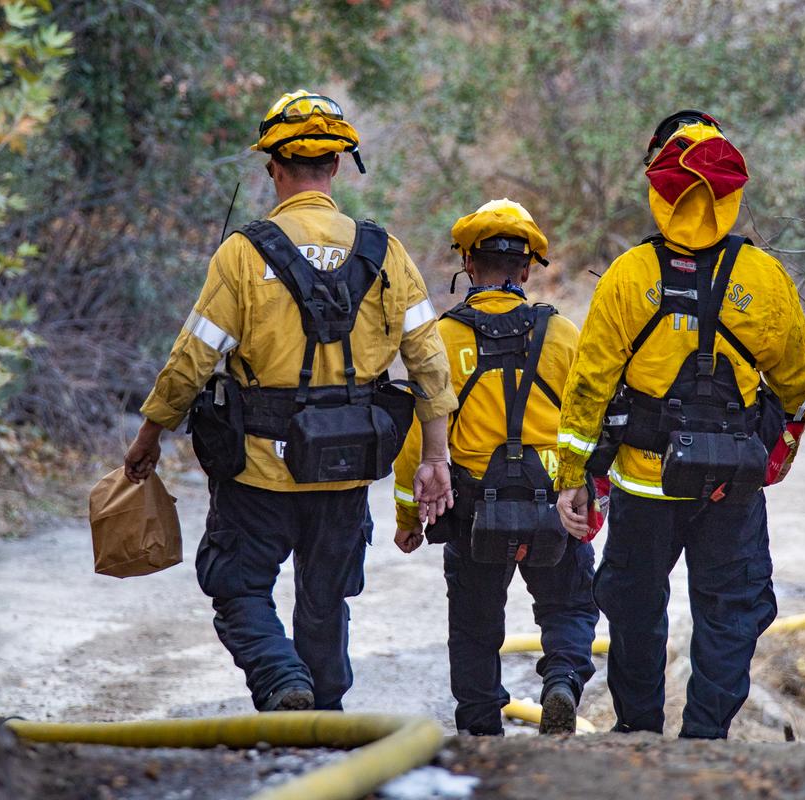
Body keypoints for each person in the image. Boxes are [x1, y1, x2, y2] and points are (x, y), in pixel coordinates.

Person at [122, 90, 457, 712]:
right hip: (346, 470)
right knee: (326, 598)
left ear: (273, 167)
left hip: (258, 470)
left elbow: (192, 360)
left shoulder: (244, 254)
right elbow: (429, 364)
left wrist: (147, 441)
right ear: (335, 168)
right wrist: (435, 456)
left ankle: (282, 682)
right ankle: (324, 720)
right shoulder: (386, 254)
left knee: (238, 587)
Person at [554, 111, 805, 738]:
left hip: (645, 488)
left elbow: (588, 386)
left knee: (636, 611)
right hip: (733, 487)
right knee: (730, 611)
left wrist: (575, 478)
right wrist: (781, 447)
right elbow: (796, 383)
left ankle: (639, 734)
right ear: (731, 195)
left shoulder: (627, 277)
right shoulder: (765, 278)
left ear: (658, 190)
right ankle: (705, 741)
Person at [392, 199, 599, 736]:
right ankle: (560, 682)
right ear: (527, 269)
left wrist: (408, 515)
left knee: (474, 629)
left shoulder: (441, 338)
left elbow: (417, 437)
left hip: (472, 511)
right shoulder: (562, 335)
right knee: (570, 609)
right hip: (553, 505)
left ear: (467, 265)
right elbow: (592, 418)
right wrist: (589, 490)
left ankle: (481, 733)